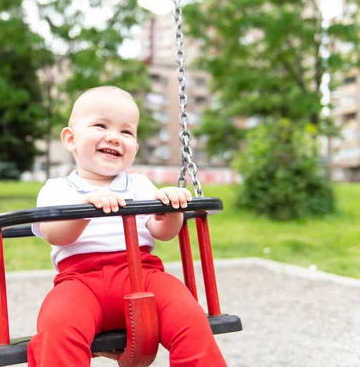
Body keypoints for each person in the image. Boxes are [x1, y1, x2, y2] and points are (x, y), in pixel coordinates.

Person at [28, 86, 226, 367]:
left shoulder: (140, 185)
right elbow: (54, 234)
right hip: (80, 282)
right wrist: (85, 211)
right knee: (56, 325)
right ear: (70, 139)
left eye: (126, 132)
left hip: (144, 276)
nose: (114, 137)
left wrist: (171, 209)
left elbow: (163, 233)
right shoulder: (57, 190)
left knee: (188, 314)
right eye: (100, 125)